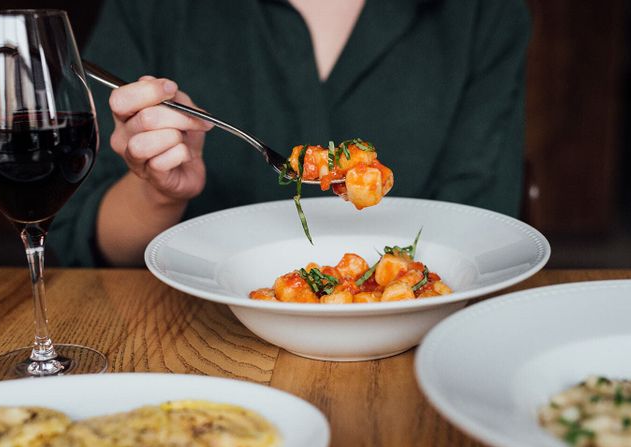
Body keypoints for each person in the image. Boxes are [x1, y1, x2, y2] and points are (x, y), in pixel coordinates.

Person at [50, 0, 531, 267]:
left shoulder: (486, 14)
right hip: (187, 347)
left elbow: (486, 233)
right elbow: (75, 245)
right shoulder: (156, 11)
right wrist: (157, 193)